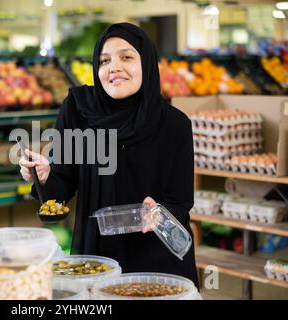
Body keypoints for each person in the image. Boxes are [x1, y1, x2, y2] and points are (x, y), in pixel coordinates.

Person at [19, 22, 198, 286]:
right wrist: (45, 176)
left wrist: (160, 213)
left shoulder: (175, 125)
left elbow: (180, 202)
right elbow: (59, 190)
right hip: (97, 260)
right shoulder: (78, 110)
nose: (114, 67)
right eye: (104, 61)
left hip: (157, 259)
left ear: (146, 64)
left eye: (126, 57)